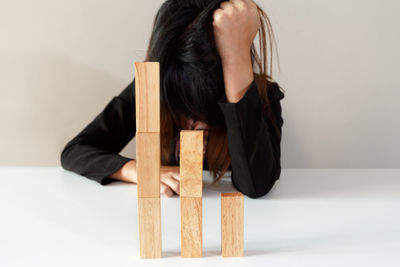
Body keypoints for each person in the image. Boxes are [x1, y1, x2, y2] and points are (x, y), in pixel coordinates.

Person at [60, 0, 285, 199]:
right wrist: (142, 170)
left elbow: (256, 185)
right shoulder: (152, 87)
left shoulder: (265, 95)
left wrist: (237, 57)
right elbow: (76, 151)